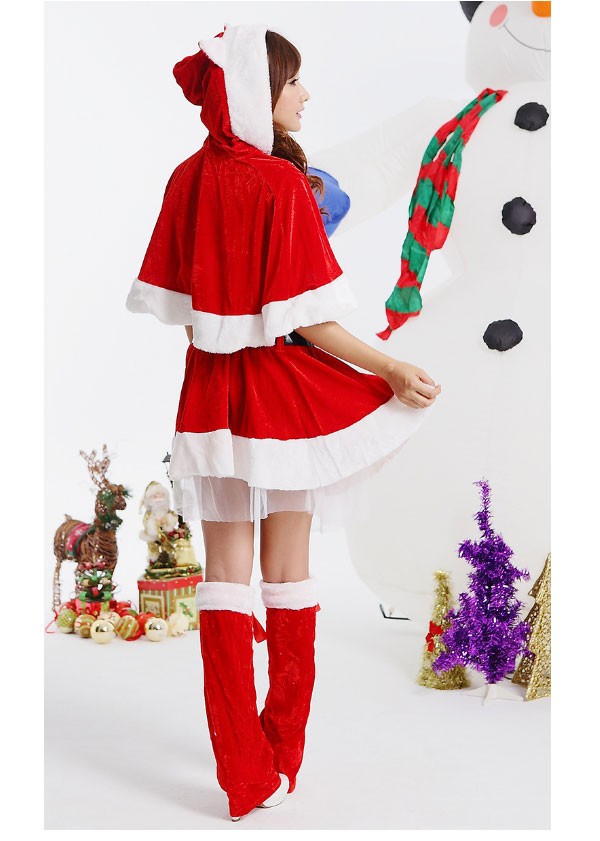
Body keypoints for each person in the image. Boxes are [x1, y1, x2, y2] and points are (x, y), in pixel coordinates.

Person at [126, 23, 441, 822]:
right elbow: (312, 322)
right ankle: (283, 748)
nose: (304, 94)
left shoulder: (186, 178)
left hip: (210, 399)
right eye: (292, 80)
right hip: (281, 400)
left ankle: (244, 769)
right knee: (289, 569)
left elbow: (184, 309)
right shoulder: (277, 182)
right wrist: (390, 367)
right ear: (254, 89)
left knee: (224, 578)